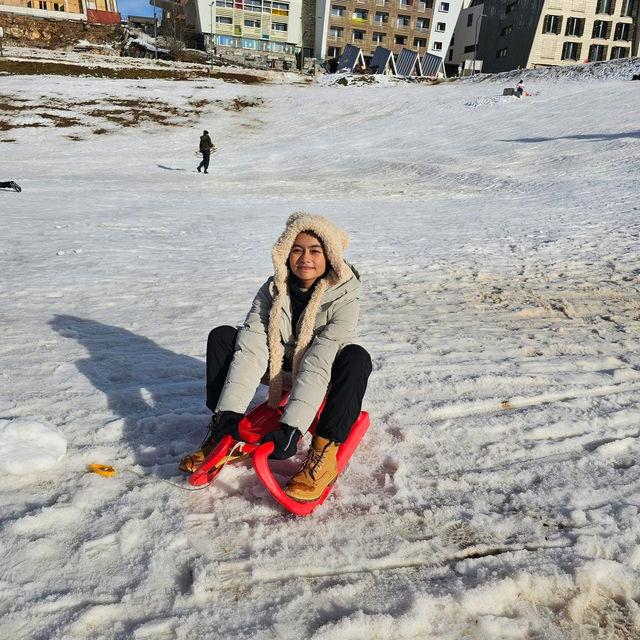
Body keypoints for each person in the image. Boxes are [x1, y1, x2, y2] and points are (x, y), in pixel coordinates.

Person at [180, 212, 372, 502]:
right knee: (222, 337)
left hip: (321, 371)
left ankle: (323, 453)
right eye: (297, 250)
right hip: (276, 366)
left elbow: (320, 359)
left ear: (330, 256)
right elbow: (253, 344)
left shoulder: (345, 296)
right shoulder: (272, 289)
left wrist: (291, 428)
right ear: (285, 253)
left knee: (357, 358)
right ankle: (220, 432)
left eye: (315, 251)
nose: (304, 258)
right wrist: (230, 415)